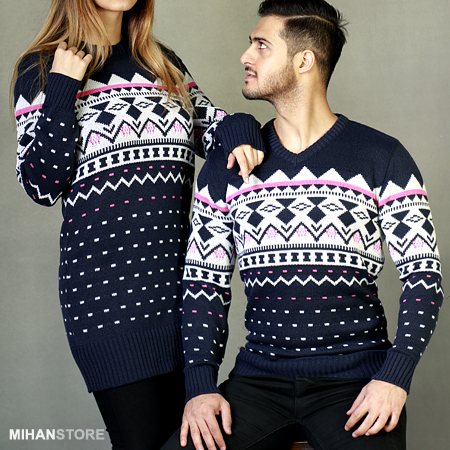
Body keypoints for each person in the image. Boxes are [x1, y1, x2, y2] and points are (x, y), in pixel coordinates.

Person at [161, 1, 444, 449]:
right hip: (258, 382)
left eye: (261, 45)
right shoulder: (227, 166)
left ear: (304, 60)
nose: (245, 56)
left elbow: (423, 277)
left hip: (357, 384)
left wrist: (395, 377)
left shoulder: (383, 157)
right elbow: (203, 285)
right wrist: (199, 386)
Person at [11, 0, 265, 449]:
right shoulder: (43, 69)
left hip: (182, 298)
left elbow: (214, 128)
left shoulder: (161, 62)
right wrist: (65, 86)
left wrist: (243, 127)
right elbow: (42, 184)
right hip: (108, 307)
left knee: (192, 443)